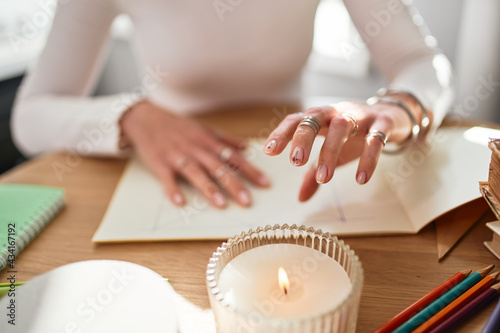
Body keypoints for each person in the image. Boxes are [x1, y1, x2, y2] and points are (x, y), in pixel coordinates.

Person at [11, 0, 454, 208]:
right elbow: (30, 116)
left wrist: (400, 109)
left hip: (296, 174)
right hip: (165, 183)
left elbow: (416, 60)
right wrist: (131, 116)